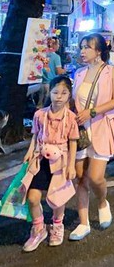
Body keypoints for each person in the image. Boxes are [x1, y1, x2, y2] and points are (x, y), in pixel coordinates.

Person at [70, 34, 114, 241]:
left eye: (87, 47)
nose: (82, 51)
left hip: (102, 127)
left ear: (99, 51)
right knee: (80, 178)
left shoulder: (112, 72)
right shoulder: (80, 73)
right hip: (81, 131)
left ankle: (102, 202)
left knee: (95, 177)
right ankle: (83, 223)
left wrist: (92, 112)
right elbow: (74, 101)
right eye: (81, 47)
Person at [21, 76, 78, 252]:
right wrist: (30, 151)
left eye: (64, 93)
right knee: (32, 197)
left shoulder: (71, 118)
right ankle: (39, 229)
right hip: (40, 159)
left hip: (60, 161)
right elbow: (35, 135)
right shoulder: (40, 114)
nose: (58, 96)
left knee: (57, 197)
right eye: (55, 92)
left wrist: (71, 165)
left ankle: (57, 225)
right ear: (49, 92)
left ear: (69, 95)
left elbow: (73, 142)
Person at [38, 37, 66, 108]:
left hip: (40, 83)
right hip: (50, 84)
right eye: (58, 44)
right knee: (47, 106)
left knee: (39, 104)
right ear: (53, 45)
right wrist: (65, 70)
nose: (59, 46)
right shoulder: (56, 57)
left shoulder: (42, 55)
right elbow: (58, 71)